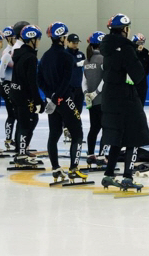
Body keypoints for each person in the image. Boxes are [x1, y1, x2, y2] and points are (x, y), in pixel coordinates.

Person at [99, 13, 149, 190]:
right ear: (125, 29)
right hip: (125, 97)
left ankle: (108, 175)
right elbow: (138, 75)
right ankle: (127, 177)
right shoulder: (126, 47)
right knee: (134, 136)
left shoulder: (105, 47)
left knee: (116, 136)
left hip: (109, 97)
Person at [38, 22, 88, 182]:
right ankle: (73, 169)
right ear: (62, 38)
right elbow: (66, 80)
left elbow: (39, 79)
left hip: (52, 102)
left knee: (54, 134)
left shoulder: (45, 56)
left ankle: (56, 169)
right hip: (65, 99)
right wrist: (57, 97)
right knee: (78, 134)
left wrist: (49, 97)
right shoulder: (67, 57)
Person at [9, 25, 45, 167]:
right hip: (24, 96)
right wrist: (38, 100)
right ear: (32, 40)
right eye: (38, 39)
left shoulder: (18, 53)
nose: (39, 42)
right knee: (27, 124)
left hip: (15, 93)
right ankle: (22, 154)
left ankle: (21, 151)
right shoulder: (30, 57)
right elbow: (31, 81)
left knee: (23, 122)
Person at [83, 31, 106, 166]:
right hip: (102, 99)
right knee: (106, 128)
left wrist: (87, 94)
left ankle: (91, 155)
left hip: (91, 102)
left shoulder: (87, 60)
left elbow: (83, 81)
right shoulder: (103, 59)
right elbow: (105, 79)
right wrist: (96, 92)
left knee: (93, 128)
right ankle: (102, 156)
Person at [62, 33, 86, 143]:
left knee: (78, 110)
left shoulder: (81, 54)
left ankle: (75, 130)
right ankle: (66, 128)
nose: (76, 45)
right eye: (73, 43)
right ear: (68, 42)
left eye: (77, 43)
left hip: (79, 87)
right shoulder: (64, 54)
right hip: (68, 87)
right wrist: (76, 64)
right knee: (69, 110)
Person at [0, 26, 17, 150]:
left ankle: (12, 138)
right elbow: (2, 72)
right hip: (7, 84)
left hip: (11, 84)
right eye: (14, 37)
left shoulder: (13, 50)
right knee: (12, 114)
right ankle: (8, 139)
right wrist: (5, 87)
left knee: (15, 113)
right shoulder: (7, 52)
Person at [132, 33, 149, 106]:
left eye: (142, 43)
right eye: (138, 43)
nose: (140, 45)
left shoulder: (146, 56)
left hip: (142, 83)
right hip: (130, 83)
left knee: (140, 104)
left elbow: (147, 70)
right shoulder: (130, 54)